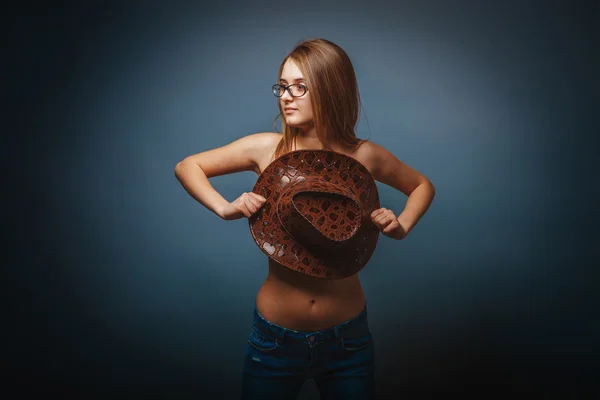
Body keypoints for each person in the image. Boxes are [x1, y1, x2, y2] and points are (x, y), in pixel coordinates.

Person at [174, 38, 435, 399]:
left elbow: (422, 185)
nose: (286, 96)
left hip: (348, 342)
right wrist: (225, 208)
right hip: (274, 341)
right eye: (282, 86)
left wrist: (401, 225)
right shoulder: (266, 148)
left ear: (331, 90)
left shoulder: (366, 156)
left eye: (300, 87)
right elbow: (188, 166)